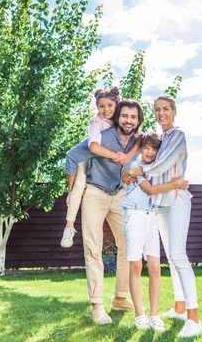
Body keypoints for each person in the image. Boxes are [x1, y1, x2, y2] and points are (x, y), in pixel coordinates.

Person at [123, 95, 202, 338]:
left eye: (165, 109)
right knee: (171, 255)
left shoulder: (177, 135)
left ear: (174, 111)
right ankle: (180, 307)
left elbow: (163, 164)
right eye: (157, 110)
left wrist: (138, 170)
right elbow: (148, 161)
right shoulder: (161, 138)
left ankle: (194, 318)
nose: (161, 114)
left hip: (177, 200)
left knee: (179, 255)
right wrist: (131, 172)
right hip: (160, 202)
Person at [65, 99, 143, 324]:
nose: (128, 120)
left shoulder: (137, 139)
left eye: (133, 117)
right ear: (118, 117)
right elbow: (72, 156)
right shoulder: (103, 137)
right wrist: (71, 191)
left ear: (138, 121)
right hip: (94, 194)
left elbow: (151, 146)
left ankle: (120, 297)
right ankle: (97, 305)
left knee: (128, 245)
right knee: (93, 248)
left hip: (119, 194)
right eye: (125, 116)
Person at [122, 132, 190, 331]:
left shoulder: (155, 169)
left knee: (155, 267)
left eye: (154, 149)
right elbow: (149, 191)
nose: (150, 152)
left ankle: (153, 315)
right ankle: (139, 314)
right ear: (141, 148)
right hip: (134, 217)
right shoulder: (136, 167)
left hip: (152, 217)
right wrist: (177, 184)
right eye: (146, 148)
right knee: (135, 267)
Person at [62, 87, 137, 248]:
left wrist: (128, 156)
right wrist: (117, 156)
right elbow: (93, 148)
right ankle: (69, 227)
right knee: (78, 185)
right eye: (101, 106)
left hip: (114, 184)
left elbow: (140, 138)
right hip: (86, 160)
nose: (106, 110)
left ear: (116, 105)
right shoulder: (96, 123)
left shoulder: (122, 122)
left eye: (110, 105)